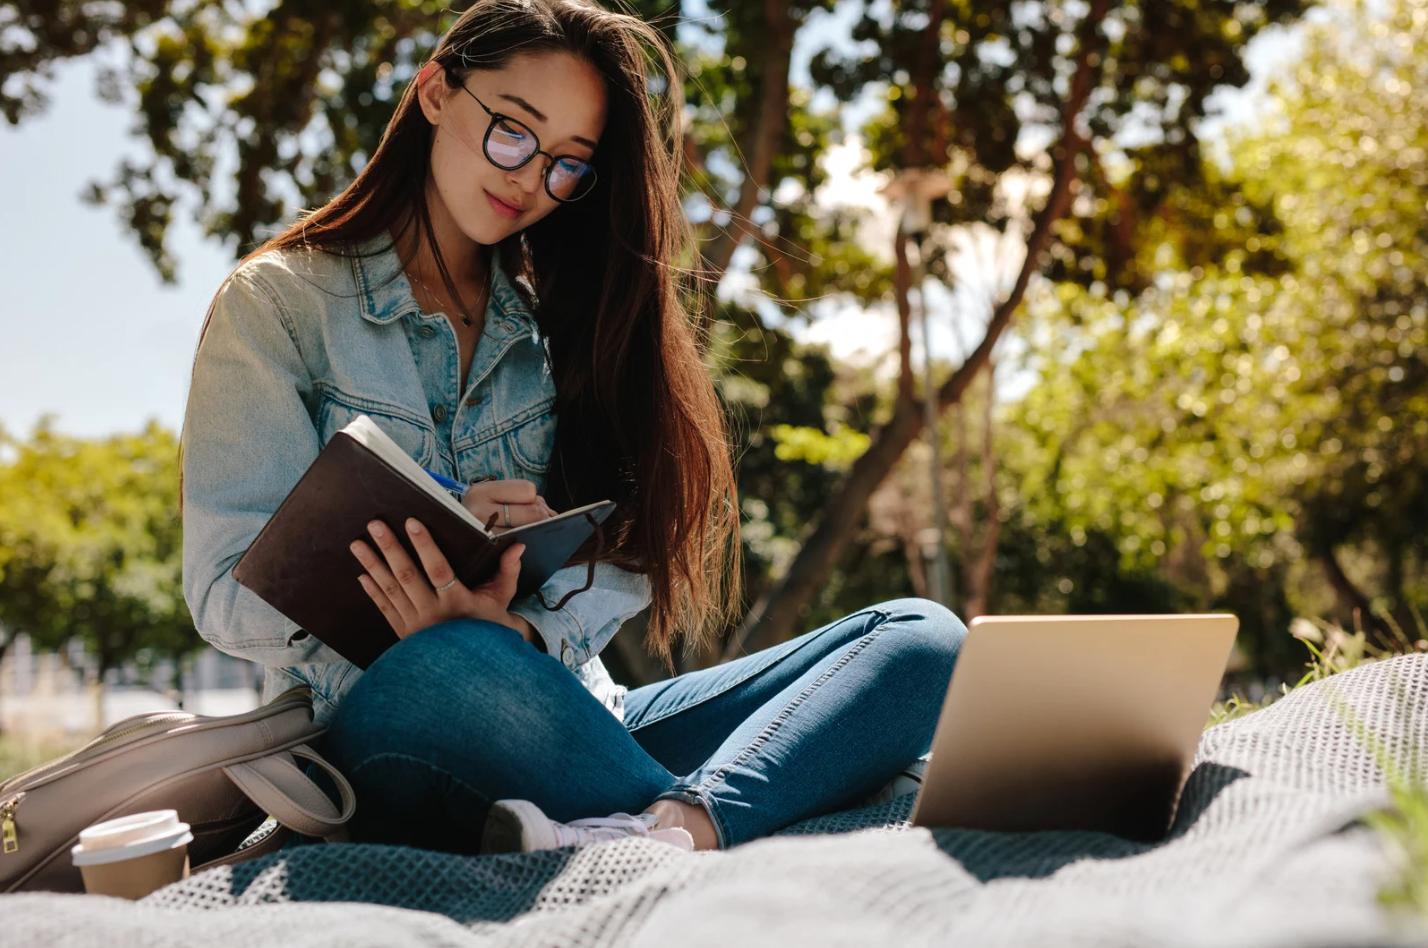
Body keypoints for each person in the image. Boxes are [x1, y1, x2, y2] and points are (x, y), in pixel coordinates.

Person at [180, 0, 966, 855]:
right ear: (437, 91)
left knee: (924, 639)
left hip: (584, 712)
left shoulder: (558, 328)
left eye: (567, 166)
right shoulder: (277, 305)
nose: (529, 180)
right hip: (398, 712)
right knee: (451, 663)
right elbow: (222, 587)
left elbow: (617, 560)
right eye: (513, 132)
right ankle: (746, 814)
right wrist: (410, 607)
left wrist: (519, 626)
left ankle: (681, 827)